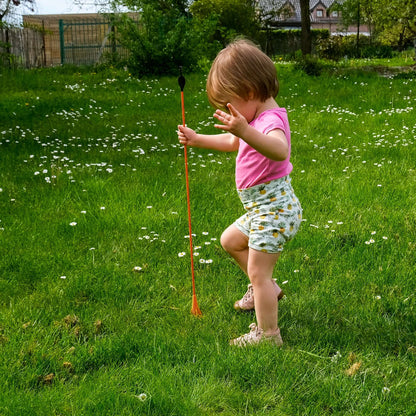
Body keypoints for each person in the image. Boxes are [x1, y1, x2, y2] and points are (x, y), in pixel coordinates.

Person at [177, 39, 302, 346]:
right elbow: (235, 143)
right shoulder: (253, 118)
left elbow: (279, 149)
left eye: (227, 104)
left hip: (274, 212)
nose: (226, 112)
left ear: (248, 92)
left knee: (259, 271)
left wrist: (244, 130)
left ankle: (268, 334)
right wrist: (198, 139)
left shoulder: (270, 120)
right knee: (230, 241)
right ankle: (265, 289)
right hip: (261, 210)